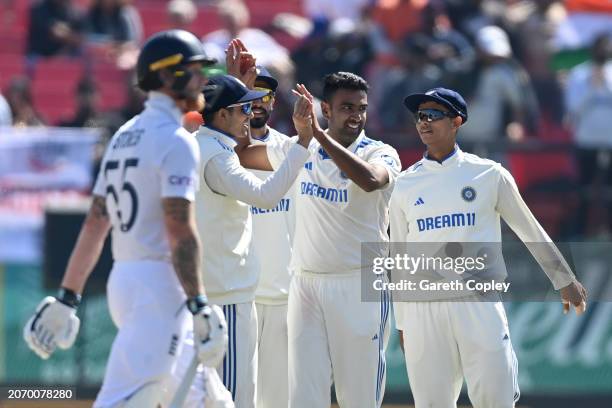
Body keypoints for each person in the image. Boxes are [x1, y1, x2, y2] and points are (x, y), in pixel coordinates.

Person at [23, 29, 230, 407]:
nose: (203, 78)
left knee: (208, 401)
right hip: (159, 287)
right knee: (124, 399)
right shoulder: (176, 138)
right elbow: (179, 230)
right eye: (195, 69)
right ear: (167, 75)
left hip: (128, 279)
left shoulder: (123, 135)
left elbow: (94, 224)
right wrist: (199, 301)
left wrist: (68, 296)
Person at [390, 87, 589, 408]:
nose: (424, 122)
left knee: (496, 399)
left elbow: (529, 229)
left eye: (434, 115)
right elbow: (399, 258)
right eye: (420, 116)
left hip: (478, 302)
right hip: (423, 310)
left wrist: (564, 279)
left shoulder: (489, 174)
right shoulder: (403, 184)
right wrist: (402, 322)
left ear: (457, 121)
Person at [236, 72, 401, 408]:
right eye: (346, 107)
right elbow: (240, 153)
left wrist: (317, 136)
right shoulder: (300, 148)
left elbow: (370, 181)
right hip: (306, 285)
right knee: (303, 399)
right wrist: (241, 94)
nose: (355, 115)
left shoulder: (380, 152)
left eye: (361, 108)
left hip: (359, 283)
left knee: (358, 398)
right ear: (326, 108)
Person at [194, 74, 313, 408]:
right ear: (222, 115)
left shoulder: (193, 144)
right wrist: (303, 141)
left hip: (203, 293)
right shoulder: (217, 155)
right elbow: (266, 195)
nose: (250, 113)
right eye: (243, 107)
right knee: (234, 399)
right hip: (227, 297)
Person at [247, 66, 294, 408]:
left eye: (265, 95)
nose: (258, 102)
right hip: (238, 292)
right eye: (251, 94)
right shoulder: (219, 149)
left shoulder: (292, 149)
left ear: (274, 101)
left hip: (283, 295)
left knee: (277, 400)